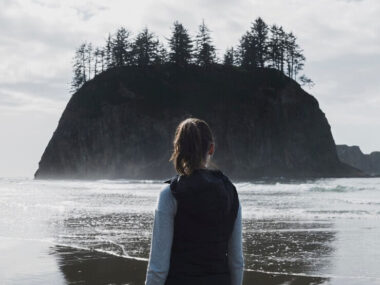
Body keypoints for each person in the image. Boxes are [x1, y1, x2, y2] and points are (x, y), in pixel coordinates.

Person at [144, 117, 244, 285]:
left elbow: (158, 268)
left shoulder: (170, 194)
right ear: (211, 148)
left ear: (178, 148)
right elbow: (237, 262)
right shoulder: (230, 192)